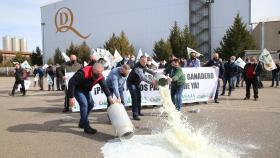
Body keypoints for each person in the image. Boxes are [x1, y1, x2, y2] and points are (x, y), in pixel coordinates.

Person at [68, 63, 115, 134]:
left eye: (100, 73)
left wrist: (110, 97)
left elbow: (104, 87)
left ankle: (82, 122)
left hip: (86, 90)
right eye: (97, 74)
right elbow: (71, 83)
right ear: (92, 70)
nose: (98, 75)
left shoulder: (100, 75)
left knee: (91, 104)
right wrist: (71, 97)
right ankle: (86, 127)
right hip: (77, 90)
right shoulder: (82, 73)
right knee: (84, 105)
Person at [127, 55, 157, 121]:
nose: (145, 63)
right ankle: (135, 114)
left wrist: (155, 74)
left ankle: (139, 112)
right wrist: (152, 82)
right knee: (134, 97)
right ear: (140, 61)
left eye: (146, 62)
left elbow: (147, 70)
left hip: (137, 83)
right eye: (144, 62)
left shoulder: (143, 65)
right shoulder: (137, 68)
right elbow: (143, 77)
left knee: (139, 97)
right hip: (131, 83)